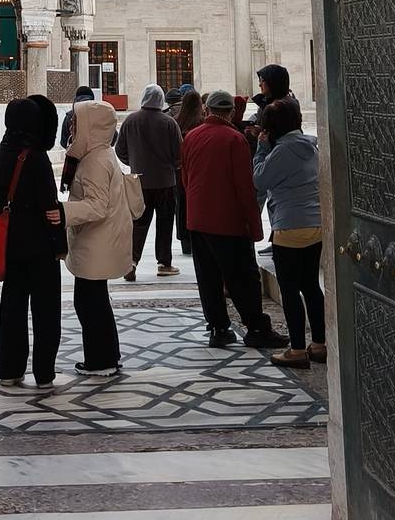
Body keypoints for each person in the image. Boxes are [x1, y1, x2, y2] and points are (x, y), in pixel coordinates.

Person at [180, 89, 276, 350]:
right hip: (228, 220)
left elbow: (185, 177)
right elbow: (244, 187)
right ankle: (256, 328)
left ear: (207, 110)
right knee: (242, 277)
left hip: (198, 218)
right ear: (231, 112)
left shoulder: (191, 136)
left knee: (208, 277)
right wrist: (254, 226)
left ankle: (218, 328)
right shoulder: (234, 139)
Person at [0, 96, 66, 387]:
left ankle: (10, 370)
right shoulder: (36, 158)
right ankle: (44, 373)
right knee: (46, 312)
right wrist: (59, 243)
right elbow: (49, 206)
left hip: (11, 245)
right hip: (40, 246)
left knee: (12, 308)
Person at [63, 99, 134, 376]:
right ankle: (107, 355)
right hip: (99, 240)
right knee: (96, 301)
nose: (72, 126)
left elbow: (97, 206)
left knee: (89, 303)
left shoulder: (94, 161)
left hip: (97, 242)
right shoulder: (100, 154)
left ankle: (100, 361)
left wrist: (61, 211)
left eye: (77, 121)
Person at [254, 96, 325, 368]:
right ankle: (319, 344)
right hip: (314, 224)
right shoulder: (311, 146)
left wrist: (261, 150)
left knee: (290, 289)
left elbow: (260, 180)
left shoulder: (282, 152)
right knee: (311, 286)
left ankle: (296, 349)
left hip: (289, 226)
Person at [115, 84, 182, 281]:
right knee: (165, 223)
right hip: (165, 182)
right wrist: (171, 165)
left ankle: (131, 262)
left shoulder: (131, 120)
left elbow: (120, 150)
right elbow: (179, 153)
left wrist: (134, 162)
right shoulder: (169, 123)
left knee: (138, 223)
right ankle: (164, 263)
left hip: (140, 182)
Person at [173, 87, 205, 259]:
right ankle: (197, 237)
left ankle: (185, 240)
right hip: (198, 169)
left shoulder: (176, 122)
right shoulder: (201, 123)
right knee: (197, 202)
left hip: (180, 169)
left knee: (182, 204)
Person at [59, 85, 95, 152]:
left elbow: (64, 142)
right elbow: (112, 139)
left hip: (76, 156)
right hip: (98, 155)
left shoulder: (70, 116)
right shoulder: (100, 113)